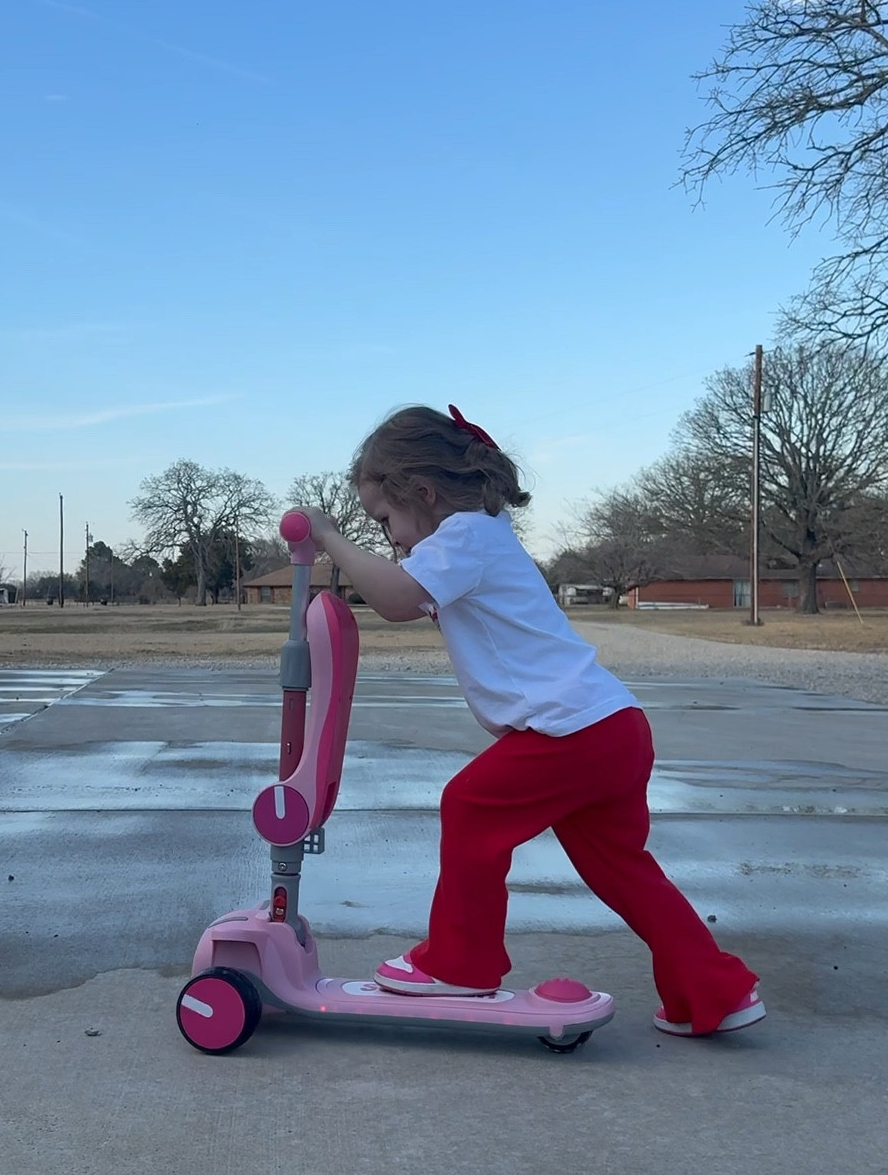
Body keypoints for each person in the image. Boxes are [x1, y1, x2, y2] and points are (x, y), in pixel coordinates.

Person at [297, 404, 764, 1037]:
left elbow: (396, 600)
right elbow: (407, 586)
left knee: (469, 806)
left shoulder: (463, 536)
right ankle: (714, 989)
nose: (392, 540)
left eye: (386, 521)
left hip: (569, 730)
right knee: (621, 869)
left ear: (425, 494)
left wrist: (325, 535)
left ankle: (460, 961)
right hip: (611, 726)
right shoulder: (484, 534)